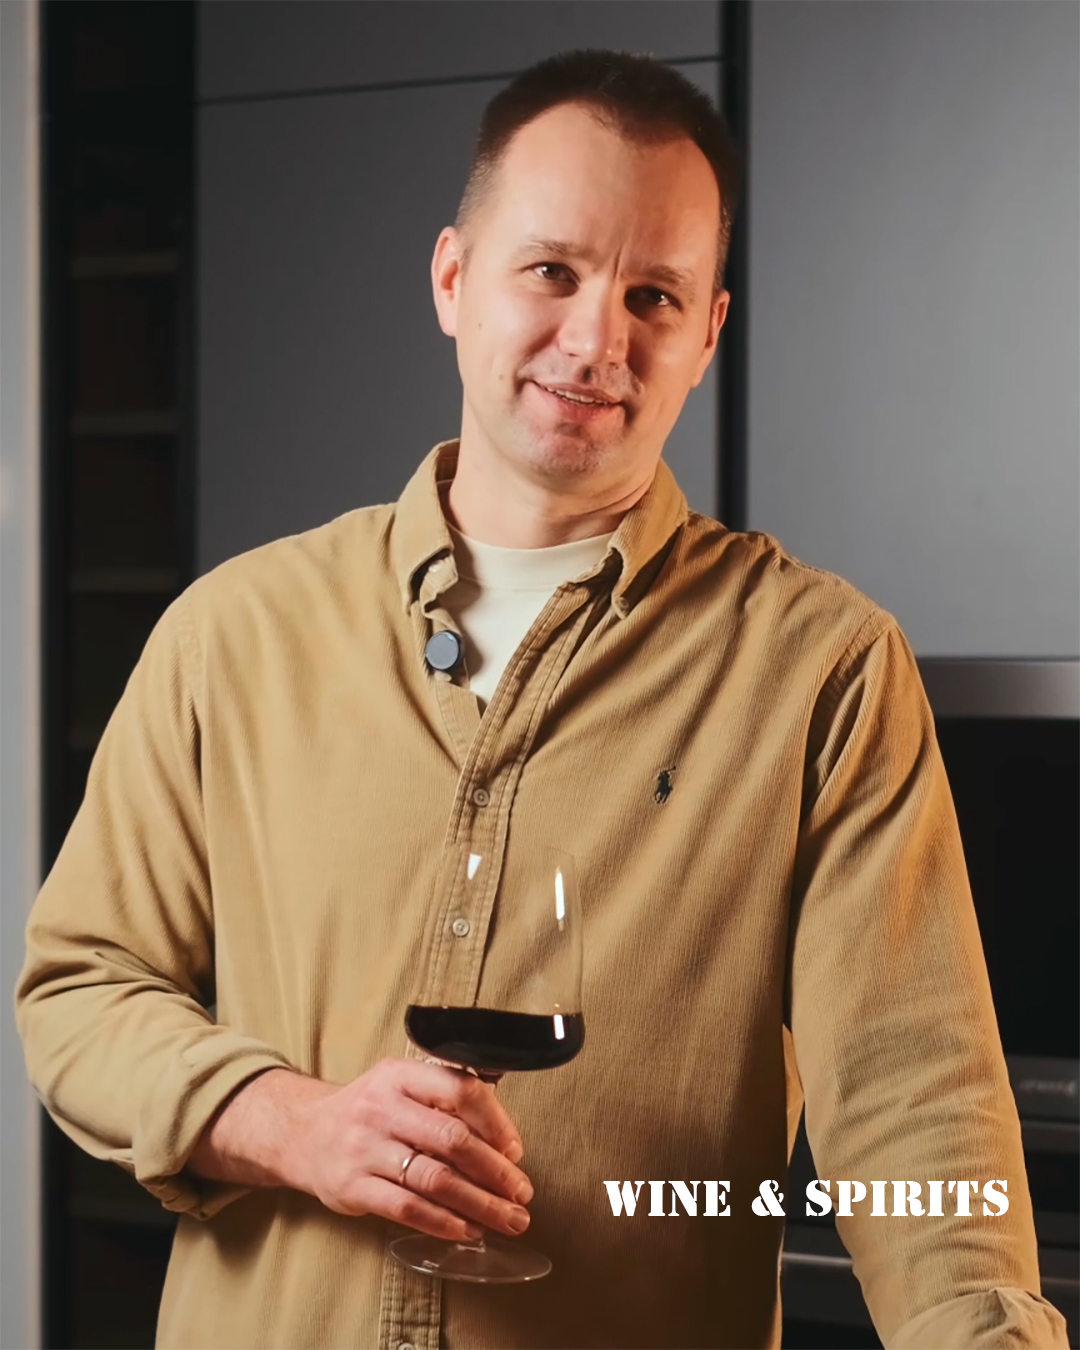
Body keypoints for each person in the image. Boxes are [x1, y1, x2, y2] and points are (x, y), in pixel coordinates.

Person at [16, 49, 1068, 1350]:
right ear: (452, 279)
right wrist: (293, 1122)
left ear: (707, 335)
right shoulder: (231, 634)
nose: (597, 339)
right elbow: (79, 990)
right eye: (553, 271)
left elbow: (922, 1114)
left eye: (652, 295)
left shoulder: (823, 671)